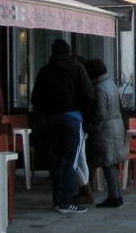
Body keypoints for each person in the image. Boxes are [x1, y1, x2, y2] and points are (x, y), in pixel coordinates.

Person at [30, 39, 95, 213]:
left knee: (56, 161)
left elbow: (35, 98)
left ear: (52, 52)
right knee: (71, 161)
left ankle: (57, 200)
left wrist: (46, 113)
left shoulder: (45, 71)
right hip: (72, 118)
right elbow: (89, 94)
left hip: (51, 120)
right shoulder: (77, 69)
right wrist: (82, 113)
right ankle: (66, 202)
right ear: (68, 51)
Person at [83, 58, 127, 208]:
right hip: (116, 126)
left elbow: (100, 113)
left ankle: (114, 197)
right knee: (112, 162)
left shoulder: (99, 88)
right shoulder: (111, 84)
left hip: (106, 130)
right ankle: (116, 195)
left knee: (107, 162)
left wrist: (92, 127)